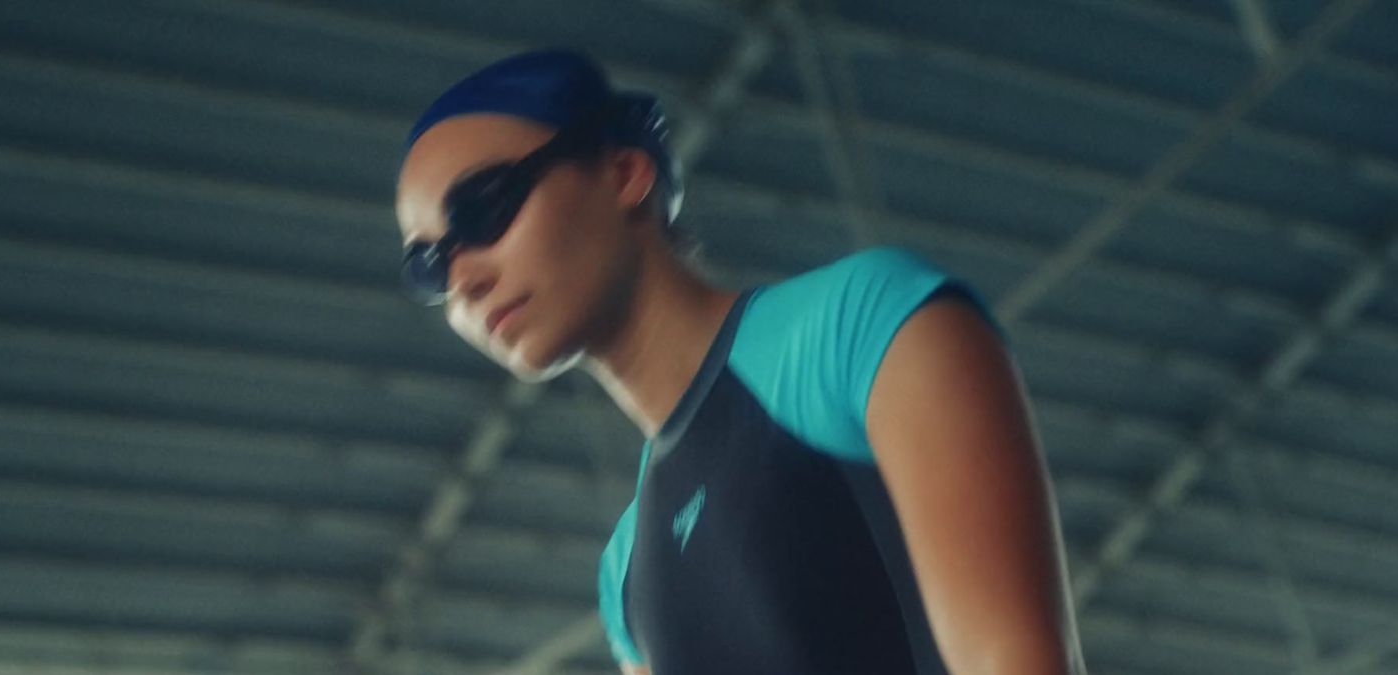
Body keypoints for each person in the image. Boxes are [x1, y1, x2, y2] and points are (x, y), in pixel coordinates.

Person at [395, 50, 1087, 675]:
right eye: (429, 265)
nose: (462, 280)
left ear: (624, 172)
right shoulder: (625, 572)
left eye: (483, 209)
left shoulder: (861, 328)